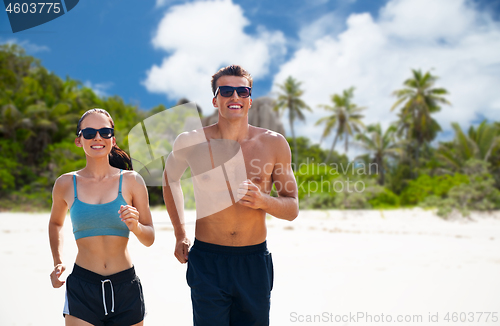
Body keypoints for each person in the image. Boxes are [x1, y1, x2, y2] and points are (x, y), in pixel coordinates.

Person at [163, 65, 299, 325]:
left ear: (249, 99)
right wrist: (180, 233)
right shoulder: (191, 142)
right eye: (226, 91)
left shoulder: (273, 143)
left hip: (253, 261)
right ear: (215, 100)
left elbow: (292, 208)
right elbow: (170, 179)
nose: (234, 96)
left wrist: (263, 201)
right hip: (207, 260)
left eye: (241, 91)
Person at [49, 108, 155, 326]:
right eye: (89, 133)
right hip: (82, 288)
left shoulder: (132, 181)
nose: (97, 137)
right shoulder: (65, 183)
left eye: (105, 132)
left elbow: (149, 238)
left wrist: (135, 226)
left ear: (112, 139)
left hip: (125, 287)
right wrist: (58, 262)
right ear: (79, 140)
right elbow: (55, 223)